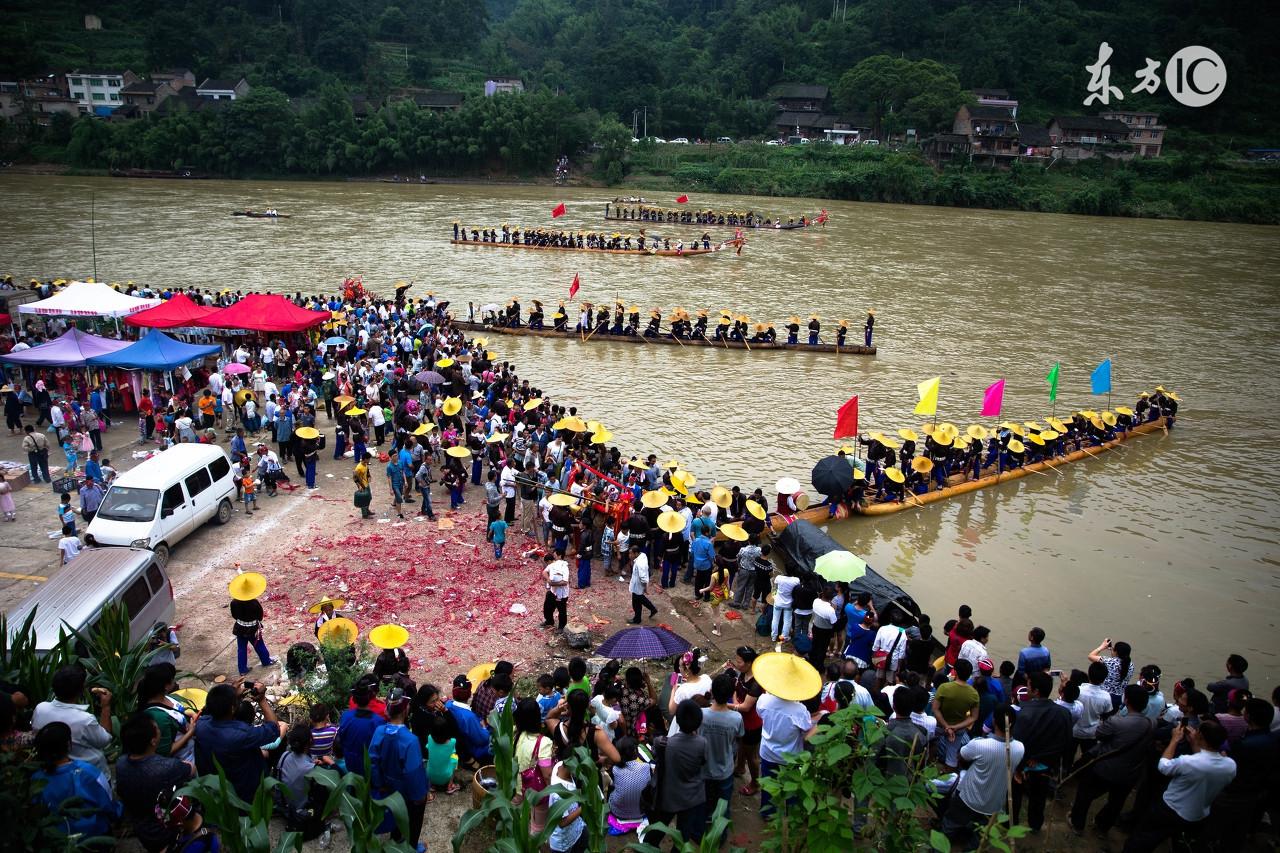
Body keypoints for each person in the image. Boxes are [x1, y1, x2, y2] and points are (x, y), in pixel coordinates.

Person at [1122, 719, 1236, 853]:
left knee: (1143, 839)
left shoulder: (1187, 761)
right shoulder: (1230, 765)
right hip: (1198, 815)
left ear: (1201, 736)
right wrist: (1195, 743)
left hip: (1171, 808)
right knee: (1181, 845)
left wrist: (1174, 740)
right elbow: (1205, 761)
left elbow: (1163, 766)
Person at [1069, 683, 1154, 834]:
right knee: (1116, 802)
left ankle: (1077, 823)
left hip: (1106, 768)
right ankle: (1102, 827)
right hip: (1131, 772)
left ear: (1126, 701)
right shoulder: (1150, 723)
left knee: (1085, 794)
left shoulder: (1116, 722)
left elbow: (1099, 734)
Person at [941, 705, 1024, 849]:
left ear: (994, 721)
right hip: (994, 803)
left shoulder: (980, 745)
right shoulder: (1020, 748)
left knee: (950, 824)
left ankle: (938, 848)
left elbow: (961, 755)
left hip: (968, 797)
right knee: (980, 836)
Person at [194, 682, 286, 803]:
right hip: (243, 792)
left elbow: (210, 712)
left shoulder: (201, 725)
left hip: (218, 787)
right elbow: (273, 729)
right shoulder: (240, 735)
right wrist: (262, 700)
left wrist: (233, 695)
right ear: (232, 708)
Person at [116, 712, 195, 852]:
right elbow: (190, 769)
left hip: (140, 826)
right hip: (166, 828)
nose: (159, 730)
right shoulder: (167, 767)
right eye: (157, 728)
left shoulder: (121, 763)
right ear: (153, 741)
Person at [31, 722, 121, 843]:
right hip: (93, 836)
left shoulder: (36, 779)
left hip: (57, 841)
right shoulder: (88, 772)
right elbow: (108, 804)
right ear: (69, 745)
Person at [1009, 671, 1072, 834]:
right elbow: (1066, 742)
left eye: (1028, 686)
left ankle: (1011, 822)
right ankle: (1035, 825)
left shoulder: (1024, 713)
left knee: (1015, 795)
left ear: (1036, 691)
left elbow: (1018, 742)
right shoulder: (1064, 713)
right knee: (1039, 798)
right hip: (1045, 766)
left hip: (1024, 765)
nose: (1027, 689)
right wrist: (1045, 759)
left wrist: (1023, 764)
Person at [369, 688, 429, 850]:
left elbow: (373, 761)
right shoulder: (410, 740)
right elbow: (413, 772)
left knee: (395, 813)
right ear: (405, 710)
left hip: (388, 785)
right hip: (406, 791)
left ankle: (396, 839)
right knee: (414, 820)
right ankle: (412, 846)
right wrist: (419, 795)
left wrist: (379, 782)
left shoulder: (379, 731)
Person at [31, 666, 114, 775]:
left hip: (50, 772)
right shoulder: (85, 720)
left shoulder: (40, 709)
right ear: (80, 691)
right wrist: (106, 707)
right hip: (88, 776)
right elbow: (105, 739)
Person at [651, 700, 709, 843]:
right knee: (683, 836)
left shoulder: (662, 743)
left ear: (677, 719)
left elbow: (655, 754)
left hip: (668, 795)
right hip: (691, 797)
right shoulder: (702, 743)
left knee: (656, 832)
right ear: (699, 722)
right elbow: (703, 762)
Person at [757, 684, 816, 816]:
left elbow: (760, 714)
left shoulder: (764, 700)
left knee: (768, 785)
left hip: (768, 752)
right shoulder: (799, 710)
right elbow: (806, 727)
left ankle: (768, 814)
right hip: (790, 757)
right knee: (791, 788)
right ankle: (791, 816)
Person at [701, 673, 745, 817]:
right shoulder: (736, 718)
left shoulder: (701, 714)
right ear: (731, 694)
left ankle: (701, 832)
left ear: (712, 692)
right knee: (723, 808)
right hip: (725, 770)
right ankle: (720, 834)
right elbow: (739, 738)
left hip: (703, 770)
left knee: (704, 804)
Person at [513, 698, 554, 833]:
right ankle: (533, 843)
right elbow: (547, 775)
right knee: (538, 825)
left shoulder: (516, 733)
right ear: (537, 717)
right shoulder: (544, 742)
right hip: (535, 793)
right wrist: (553, 793)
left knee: (517, 813)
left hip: (517, 786)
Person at [933, 659, 979, 772]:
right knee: (952, 755)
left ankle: (929, 770)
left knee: (932, 747)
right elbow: (974, 717)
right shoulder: (973, 693)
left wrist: (946, 726)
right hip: (958, 729)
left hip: (940, 725)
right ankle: (949, 780)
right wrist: (955, 727)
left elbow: (935, 709)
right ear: (969, 675)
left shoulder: (944, 688)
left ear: (955, 672)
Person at [1070, 661, 1115, 771]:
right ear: (1104, 679)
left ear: (1089, 674)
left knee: (1069, 754)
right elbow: (1106, 717)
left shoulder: (1078, 691)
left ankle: (1066, 771)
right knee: (1087, 756)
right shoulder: (1106, 697)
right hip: (1091, 733)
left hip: (1073, 730)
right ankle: (1078, 771)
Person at [337, 677, 386, 777]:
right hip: (369, 768)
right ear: (371, 697)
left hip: (350, 764)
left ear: (354, 698)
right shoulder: (378, 722)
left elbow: (341, 739)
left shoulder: (345, 716)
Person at [229, 586, 276, 676]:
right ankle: (266, 661)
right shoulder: (254, 603)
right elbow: (260, 616)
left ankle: (242, 669)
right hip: (253, 629)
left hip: (239, 628)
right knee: (259, 645)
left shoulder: (234, 602)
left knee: (241, 649)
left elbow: (234, 615)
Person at [446, 675, 492, 765]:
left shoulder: (448, 705)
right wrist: (484, 728)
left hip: (458, 744)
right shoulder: (468, 717)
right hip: (471, 749)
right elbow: (482, 739)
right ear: (469, 694)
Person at [1089, 638, 1135, 709]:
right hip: (1119, 698)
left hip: (1104, 696)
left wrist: (1102, 647)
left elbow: (1090, 656)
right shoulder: (1131, 665)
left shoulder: (1109, 662)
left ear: (1116, 652)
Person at [627, 542, 658, 623]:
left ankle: (637, 619)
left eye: (631, 553)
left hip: (638, 585)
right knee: (641, 599)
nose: (629, 555)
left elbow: (643, 578)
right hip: (637, 584)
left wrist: (645, 588)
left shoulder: (639, 563)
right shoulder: (642, 556)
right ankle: (652, 609)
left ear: (636, 553)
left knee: (636, 603)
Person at [542, 553, 571, 630]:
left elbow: (565, 582)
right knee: (547, 607)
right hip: (552, 591)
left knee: (561, 610)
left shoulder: (564, 567)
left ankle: (561, 626)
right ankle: (549, 621)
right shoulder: (552, 565)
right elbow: (544, 572)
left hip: (562, 593)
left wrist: (553, 584)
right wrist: (549, 580)